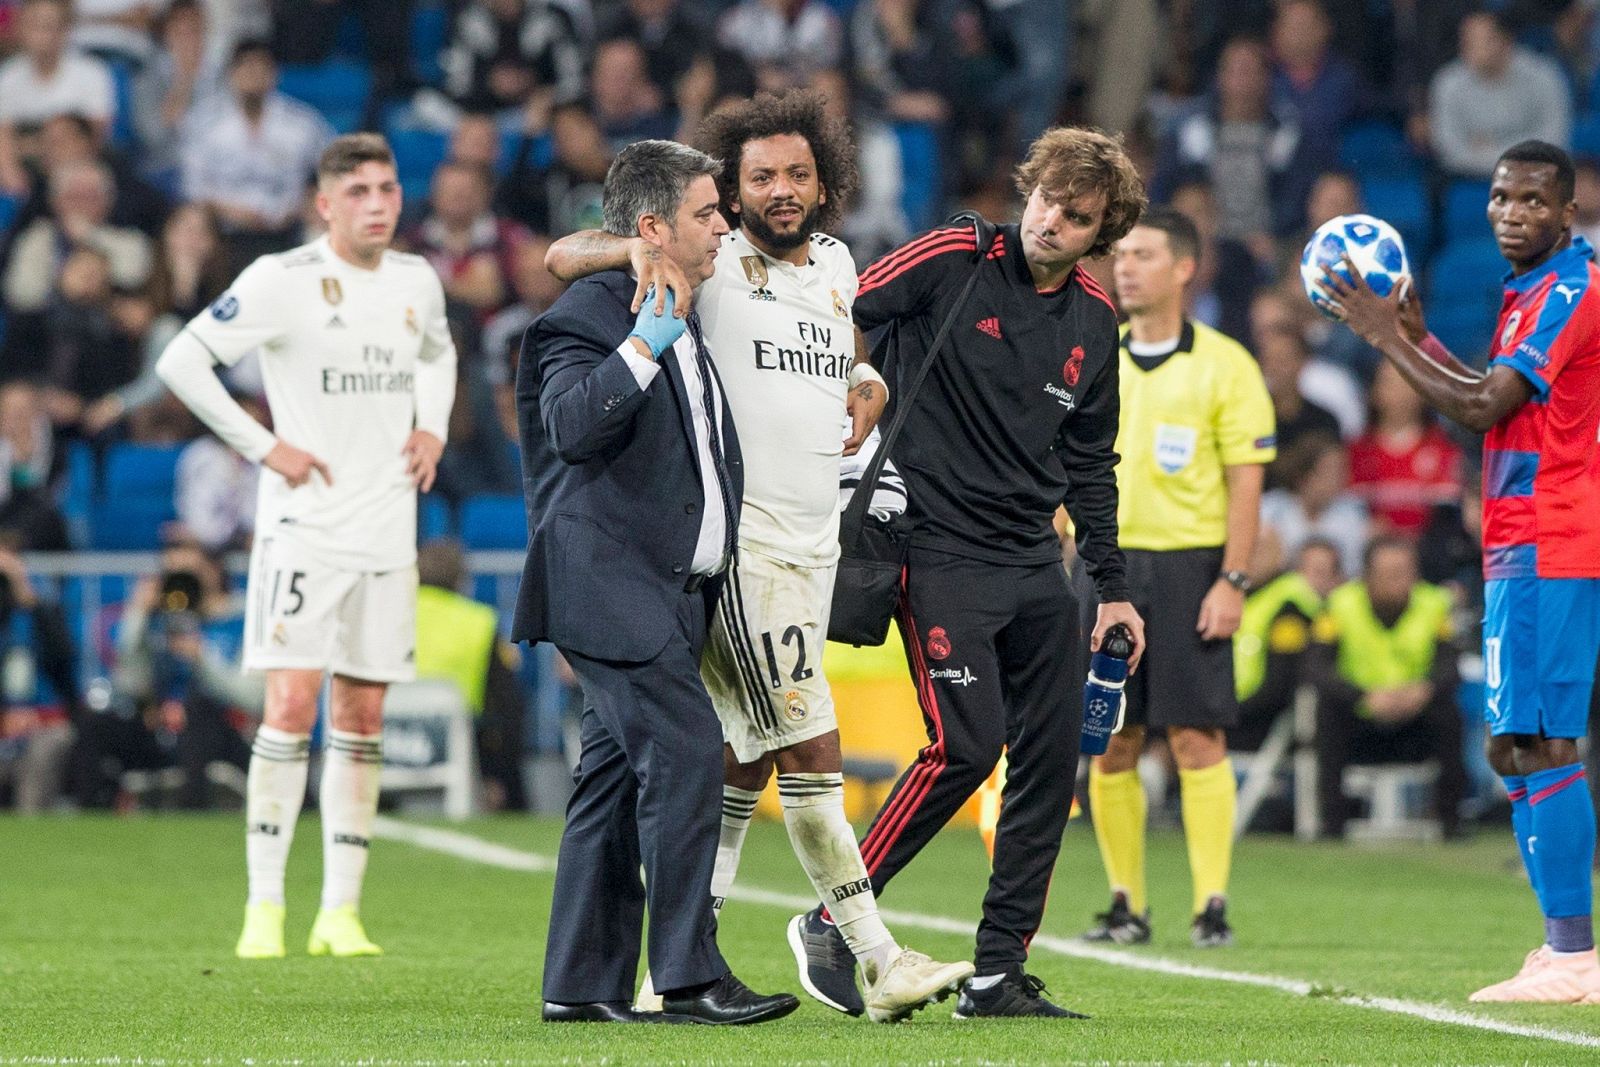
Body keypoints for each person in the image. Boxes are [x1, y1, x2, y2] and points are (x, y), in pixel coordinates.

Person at [543, 88, 971, 1023]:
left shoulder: (836, 263)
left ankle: (671, 970)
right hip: (747, 547)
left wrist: (864, 375)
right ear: (731, 192)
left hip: (819, 544)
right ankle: (874, 955)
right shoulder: (713, 259)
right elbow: (564, 257)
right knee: (812, 743)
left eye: (798, 174)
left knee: (742, 760)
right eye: (762, 177)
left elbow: (842, 339)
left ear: (826, 182)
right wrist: (640, 247)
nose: (783, 191)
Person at [804, 127, 1148, 1018]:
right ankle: (833, 919)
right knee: (965, 745)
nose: (1052, 222)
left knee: (1048, 763)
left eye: (1077, 217)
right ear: (1026, 189)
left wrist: (1111, 586)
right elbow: (845, 302)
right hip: (937, 545)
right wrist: (855, 372)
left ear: (1099, 233)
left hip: (1038, 559)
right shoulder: (961, 251)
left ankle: (998, 972)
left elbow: (1091, 462)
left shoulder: (1095, 321)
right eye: (1046, 200)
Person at [512, 138, 795, 1026]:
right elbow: (568, 425)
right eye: (709, 213)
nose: (726, 225)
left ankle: (580, 986)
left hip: (668, 589)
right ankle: (687, 976)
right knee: (682, 751)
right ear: (651, 227)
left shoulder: (686, 302)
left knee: (607, 783)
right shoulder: (592, 313)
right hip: (610, 582)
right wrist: (642, 344)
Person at [154, 133, 458, 960]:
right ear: (325, 204)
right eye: (358, 191)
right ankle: (263, 907)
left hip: (388, 531)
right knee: (289, 707)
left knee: (362, 716)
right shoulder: (280, 282)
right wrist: (263, 447)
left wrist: (430, 424)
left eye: (388, 188)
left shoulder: (416, 279)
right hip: (305, 533)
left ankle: (341, 913)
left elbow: (439, 351)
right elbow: (182, 361)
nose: (378, 204)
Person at [1324, 139, 1600, 1002]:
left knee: (1547, 738)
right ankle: (1560, 945)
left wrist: (1380, 338)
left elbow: (1485, 407)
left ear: (1567, 209)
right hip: (1520, 535)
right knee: (1511, 743)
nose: (1511, 213)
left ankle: (1575, 954)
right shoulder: (1528, 289)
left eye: (1530, 201)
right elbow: (1484, 387)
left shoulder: (1570, 287)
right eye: (1499, 198)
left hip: (1555, 533)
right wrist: (1418, 337)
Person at [1082, 207, 1275, 949]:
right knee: (1114, 738)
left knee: (1198, 737)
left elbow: (1247, 483)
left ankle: (1211, 904)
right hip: (1110, 567)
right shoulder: (1097, 353)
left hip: (1194, 565)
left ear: (1185, 267)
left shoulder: (1227, 363)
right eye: (1120, 254)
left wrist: (1233, 578)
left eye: (1143, 254)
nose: (1125, 266)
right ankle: (1125, 901)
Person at [1306, 536, 1465, 841]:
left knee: (1451, 714)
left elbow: (1451, 664)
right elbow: (1316, 667)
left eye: (1405, 573)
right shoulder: (1339, 605)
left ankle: (1451, 819)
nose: (1398, 582)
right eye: (1388, 574)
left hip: (1416, 717)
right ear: (1367, 575)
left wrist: (1424, 691)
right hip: (1361, 716)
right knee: (1327, 711)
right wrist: (1362, 696)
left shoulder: (1434, 603)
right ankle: (1332, 823)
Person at [414, 539, 527, 811]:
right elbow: (506, 704)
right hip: (459, 738)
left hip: (390, 733)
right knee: (501, 716)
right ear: (460, 579)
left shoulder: (390, 615)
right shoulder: (479, 621)